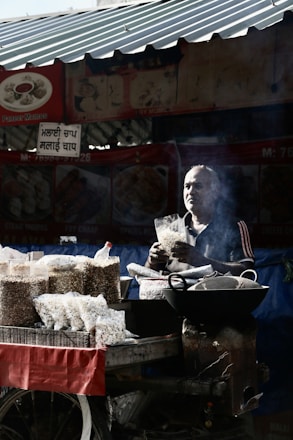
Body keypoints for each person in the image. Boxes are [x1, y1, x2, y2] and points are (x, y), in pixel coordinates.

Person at [145, 165, 254, 276]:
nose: (191, 192)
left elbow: (246, 272)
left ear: (215, 192)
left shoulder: (233, 226)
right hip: (175, 292)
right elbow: (150, 276)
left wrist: (201, 261)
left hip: (212, 292)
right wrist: (151, 261)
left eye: (198, 186)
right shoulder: (172, 228)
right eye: (187, 186)